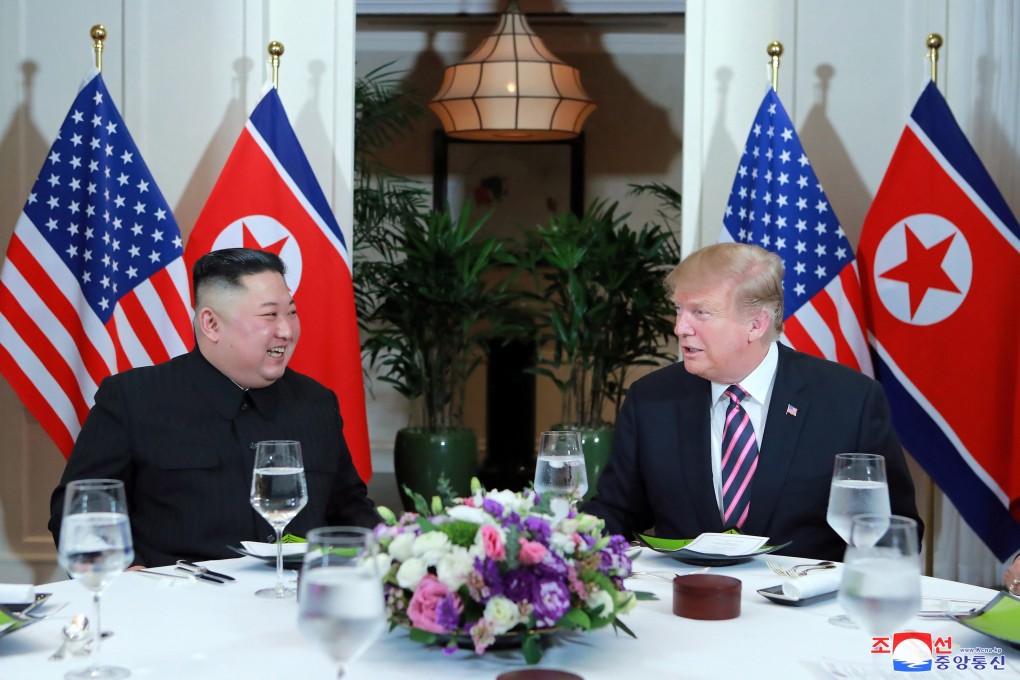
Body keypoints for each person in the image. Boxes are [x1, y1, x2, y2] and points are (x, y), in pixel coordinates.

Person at [583, 242, 922, 562]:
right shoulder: (651, 399)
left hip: (806, 616)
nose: (679, 327)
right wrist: (553, 542)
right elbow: (616, 512)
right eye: (678, 309)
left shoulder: (850, 401)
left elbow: (894, 529)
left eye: (700, 312)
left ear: (756, 325)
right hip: (687, 608)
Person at [49, 248, 379, 567]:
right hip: (171, 609)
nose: (286, 330)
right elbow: (76, 512)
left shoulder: (316, 403)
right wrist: (125, 574)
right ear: (211, 324)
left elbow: (349, 510)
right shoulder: (132, 398)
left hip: (295, 604)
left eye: (291, 312)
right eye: (269, 315)